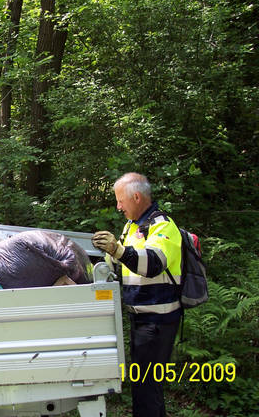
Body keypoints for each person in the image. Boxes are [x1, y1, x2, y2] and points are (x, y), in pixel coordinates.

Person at [92, 172, 182, 417]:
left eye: (121, 200)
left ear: (137, 196)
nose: (118, 206)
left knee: (146, 388)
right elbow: (120, 265)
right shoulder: (132, 226)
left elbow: (153, 263)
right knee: (146, 386)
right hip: (141, 319)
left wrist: (118, 250)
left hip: (157, 322)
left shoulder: (163, 226)